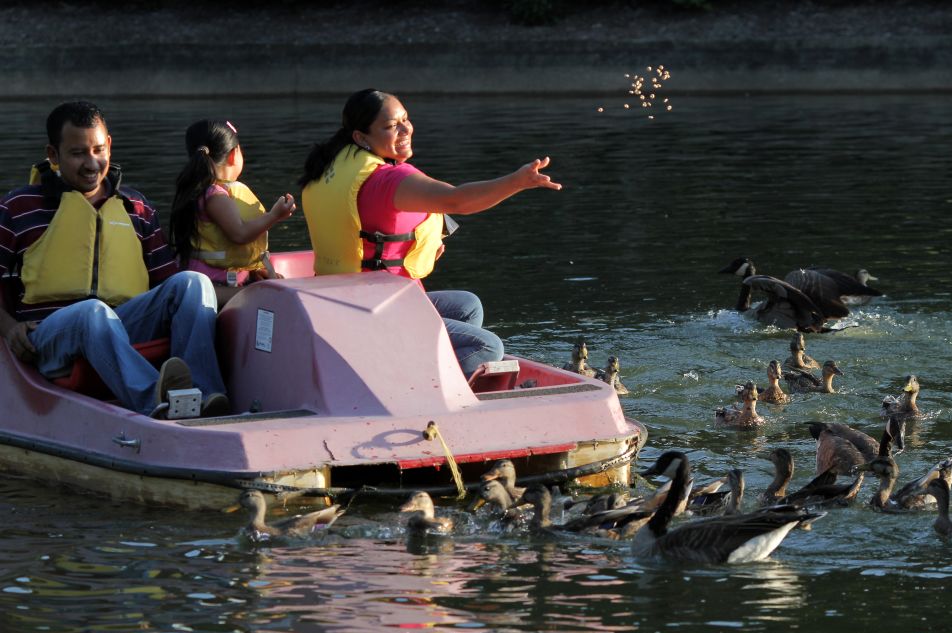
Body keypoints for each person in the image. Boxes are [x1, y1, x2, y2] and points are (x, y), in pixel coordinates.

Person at [299, 88, 562, 377]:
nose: (405, 129)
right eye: (390, 126)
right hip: (375, 312)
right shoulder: (388, 179)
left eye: (405, 119)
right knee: (486, 346)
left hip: (347, 303)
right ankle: (426, 393)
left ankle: (428, 365)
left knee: (467, 306)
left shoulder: (333, 167)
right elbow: (457, 200)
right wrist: (517, 181)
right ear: (361, 137)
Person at [0, 101, 228, 417]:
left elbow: (167, 287)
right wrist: (9, 328)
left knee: (193, 284)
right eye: (78, 153)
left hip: (120, 327)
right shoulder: (18, 207)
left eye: (97, 150)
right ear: (53, 155)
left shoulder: (138, 208)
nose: (91, 163)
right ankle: (158, 402)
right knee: (92, 313)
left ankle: (205, 396)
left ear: (109, 145)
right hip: (49, 340)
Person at [169, 119, 296, 306]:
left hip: (218, 280)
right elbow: (240, 233)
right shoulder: (215, 196)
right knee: (273, 297)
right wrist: (274, 216)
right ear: (233, 155)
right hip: (213, 287)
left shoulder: (198, 191)